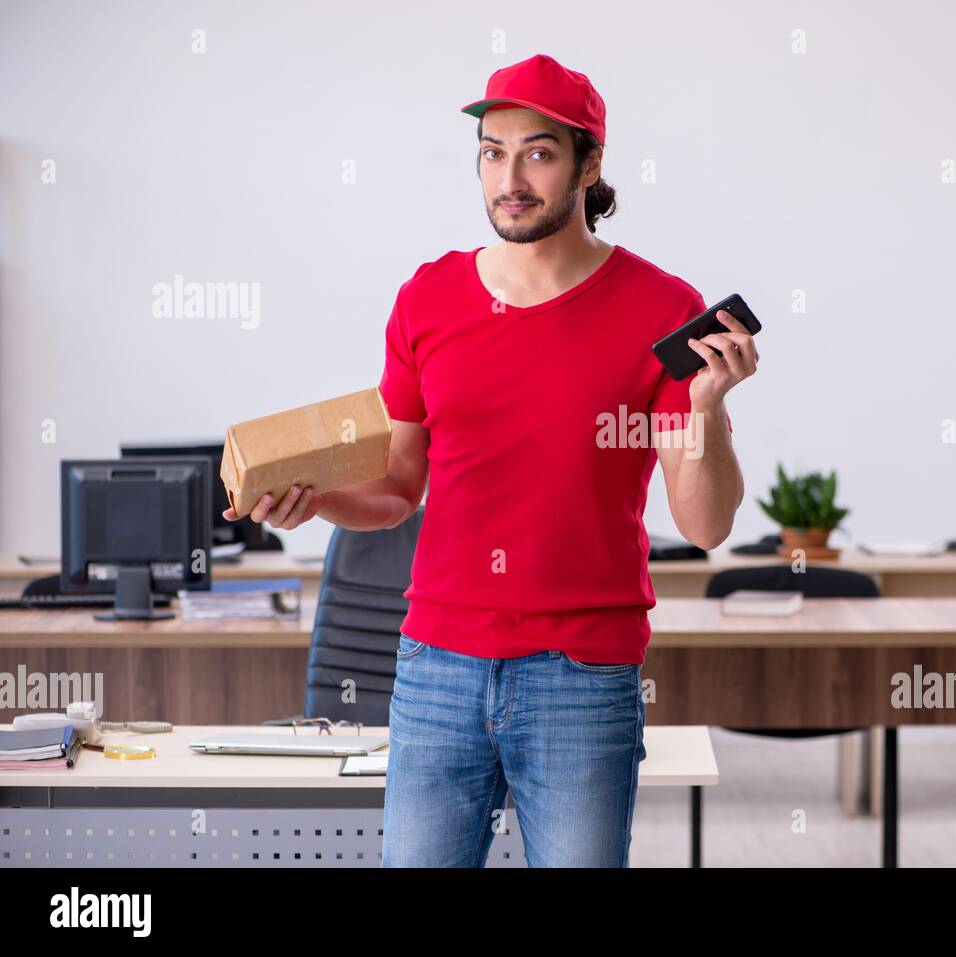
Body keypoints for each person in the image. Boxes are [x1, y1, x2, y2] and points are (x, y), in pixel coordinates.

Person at [223, 53, 758, 866]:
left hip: (582, 675)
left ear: (590, 163)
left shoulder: (662, 310)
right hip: (437, 667)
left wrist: (709, 410)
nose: (510, 176)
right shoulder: (428, 299)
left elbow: (705, 522)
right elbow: (399, 487)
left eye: (538, 152)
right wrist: (317, 496)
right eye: (492, 151)